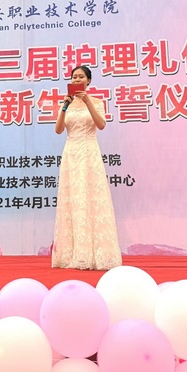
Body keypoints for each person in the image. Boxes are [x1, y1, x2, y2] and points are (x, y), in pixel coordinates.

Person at [51, 66, 122, 270]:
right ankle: (74, 254)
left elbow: (101, 125)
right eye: (74, 77)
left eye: (81, 77)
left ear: (88, 81)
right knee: (73, 199)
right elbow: (58, 130)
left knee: (91, 198)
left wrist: (88, 101)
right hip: (71, 153)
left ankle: (96, 254)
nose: (77, 80)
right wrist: (64, 107)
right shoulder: (66, 103)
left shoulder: (97, 102)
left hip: (89, 152)